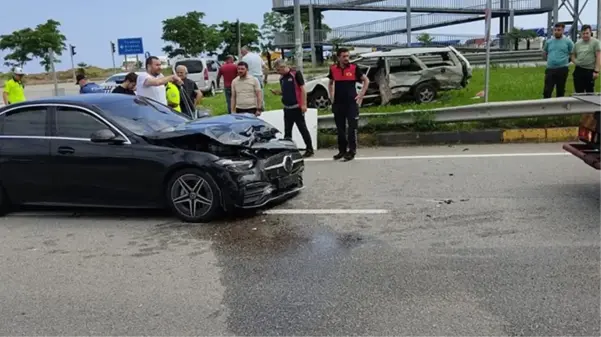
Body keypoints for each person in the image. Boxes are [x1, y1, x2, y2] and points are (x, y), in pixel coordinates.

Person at [327, 47, 369, 161]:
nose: (346, 58)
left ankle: (352, 151)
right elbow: (330, 83)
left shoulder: (354, 68)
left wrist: (361, 95)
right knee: (340, 129)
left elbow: (366, 80)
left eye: (347, 56)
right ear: (338, 57)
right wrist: (331, 96)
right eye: (344, 56)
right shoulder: (333, 69)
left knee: (352, 128)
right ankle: (342, 150)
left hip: (351, 103)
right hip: (338, 103)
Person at [270, 59, 314, 157]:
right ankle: (288, 150)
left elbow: (302, 90)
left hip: (297, 107)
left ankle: (309, 149)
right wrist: (279, 92)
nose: (278, 72)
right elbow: (287, 90)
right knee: (287, 130)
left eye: (278, 70)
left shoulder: (295, 74)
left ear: (283, 67)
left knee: (302, 128)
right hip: (287, 107)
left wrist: (304, 104)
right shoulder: (282, 78)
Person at [542, 23, 574, 98]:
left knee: (560, 90)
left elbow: (573, 53)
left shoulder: (568, 42)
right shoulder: (549, 42)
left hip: (562, 69)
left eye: (559, 30)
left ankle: (559, 107)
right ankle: (546, 106)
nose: (556, 32)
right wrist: (550, 60)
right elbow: (544, 53)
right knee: (547, 90)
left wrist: (567, 61)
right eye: (555, 30)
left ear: (563, 30)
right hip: (550, 69)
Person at [571, 24, 601, 93]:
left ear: (591, 33)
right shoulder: (577, 43)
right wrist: (575, 61)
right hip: (578, 70)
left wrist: (596, 71)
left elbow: (599, 56)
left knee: (589, 92)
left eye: (587, 33)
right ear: (581, 34)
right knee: (578, 92)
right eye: (583, 33)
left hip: (589, 70)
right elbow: (572, 54)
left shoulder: (596, 42)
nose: (585, 35)